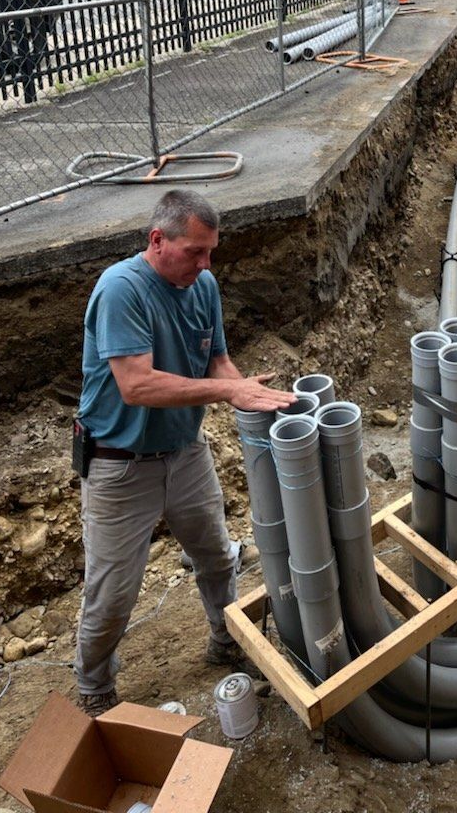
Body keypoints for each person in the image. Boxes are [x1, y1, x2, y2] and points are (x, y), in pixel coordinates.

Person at [74, 188, 294, 716]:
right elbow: (137, 386)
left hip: (185, 451)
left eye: (210, 251)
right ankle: (95, 688)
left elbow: (217, 362)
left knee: (217, 557)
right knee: (113, 595)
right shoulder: (121, 290)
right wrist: (228, 393)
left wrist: (252, 398)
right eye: (195, 251)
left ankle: (226, 642)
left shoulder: (205, 285)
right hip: (119, 464)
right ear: (158, 239)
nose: (206, 262)